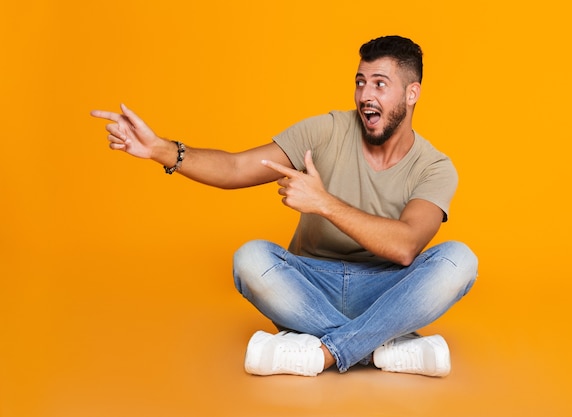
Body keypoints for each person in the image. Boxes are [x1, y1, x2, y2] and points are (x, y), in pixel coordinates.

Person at [91, 35, 478, 377]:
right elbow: (237, 167)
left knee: (460, 261)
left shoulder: (435, 167)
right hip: (310, 283)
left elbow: (406, 246)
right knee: (250, 259)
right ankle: (383, 346)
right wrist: (160, 149)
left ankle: (326, 351)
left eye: (380, 84)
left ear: (412, 94)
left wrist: (323, 202)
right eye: (360, 83)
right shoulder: (325, 131)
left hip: (385, 288)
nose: (365, 96)